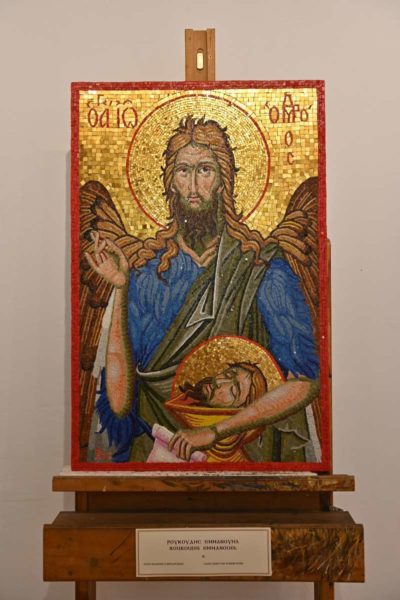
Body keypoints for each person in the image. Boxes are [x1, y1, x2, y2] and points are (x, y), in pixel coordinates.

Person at [85, 116, 320, 463]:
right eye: (183, 171)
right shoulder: (146, 277)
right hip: (154, 456)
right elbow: (119, 404)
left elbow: (304, 382)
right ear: (170, 183)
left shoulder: (263, 269)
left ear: (224, 181)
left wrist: (216, 430)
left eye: (205, 170)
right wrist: (120, 288)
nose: (194, 186)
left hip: (240, 459)